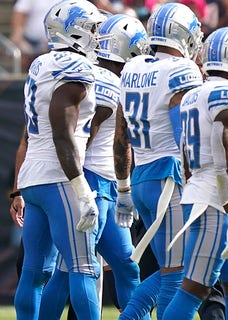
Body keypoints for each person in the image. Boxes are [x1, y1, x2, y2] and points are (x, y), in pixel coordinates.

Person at [36, 14, 151, 319]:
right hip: (93, 184)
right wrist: (80, 189)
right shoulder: (108, 81)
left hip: (106, 186)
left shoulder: (104, 77)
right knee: (71, 268)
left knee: (126, 263)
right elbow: (88, 137)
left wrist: (122, 189)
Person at [13, 1, 105, 319]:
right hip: (59, 177)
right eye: (92, 28)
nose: (97, 35)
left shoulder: (40, 64)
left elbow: (28, 133)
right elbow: (62, 134)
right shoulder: (75, 68)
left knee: (34, 272)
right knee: (84, 268)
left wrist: (16, 188)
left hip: (33, 178)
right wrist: (82, 191)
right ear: (75, 31)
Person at [114, 3, 203, 320]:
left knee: (170, 271)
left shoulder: (133, 68)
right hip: (170, 179)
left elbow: (121, 135)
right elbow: (185, 134)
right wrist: (198, 180)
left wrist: (124, 190)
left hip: (140, 179)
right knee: (179, 274)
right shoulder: (182, 70)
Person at [162, 27, 228, 320]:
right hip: (216, 204)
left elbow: (185, 154)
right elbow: (223, 160)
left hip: (210, 197)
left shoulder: (194, 94)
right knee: (195, 288)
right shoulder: (226, 94)